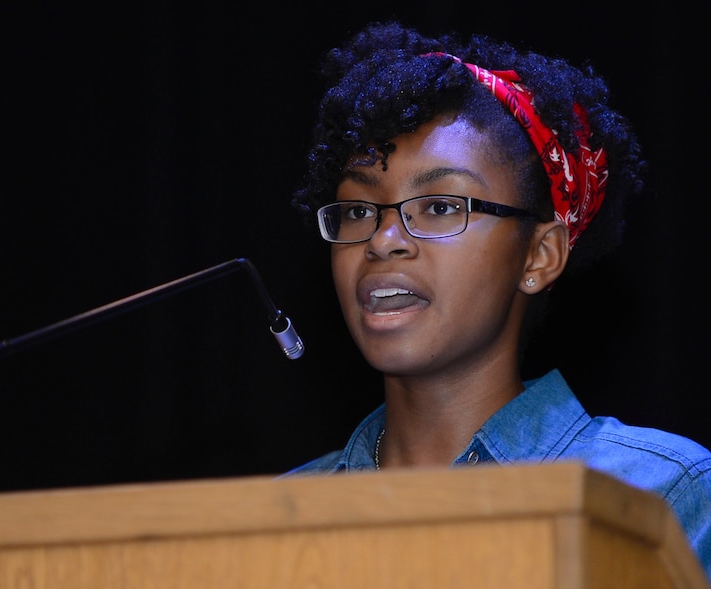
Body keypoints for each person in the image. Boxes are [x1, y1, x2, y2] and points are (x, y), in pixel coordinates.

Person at [283, 20, 711, 580]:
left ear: (538, 257)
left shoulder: (663, 494)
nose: (383, 240)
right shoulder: (279, 515)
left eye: (439, 206)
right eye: (359, 211)